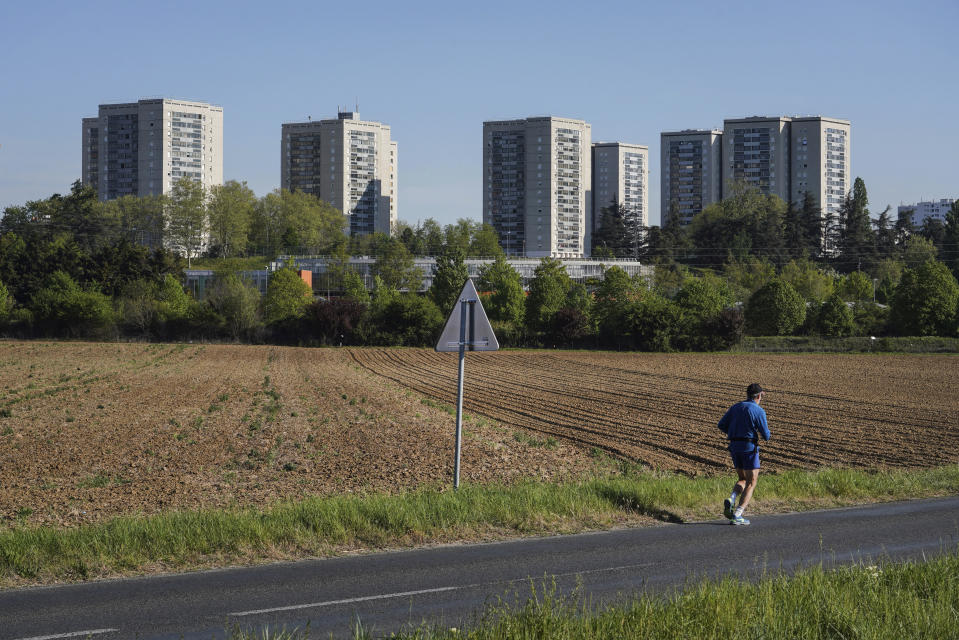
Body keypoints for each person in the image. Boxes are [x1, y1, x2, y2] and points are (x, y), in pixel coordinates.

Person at [717, 383, 770, 525]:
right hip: (749, 448)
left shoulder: (735, 407)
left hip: (734, 446)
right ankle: (738, 514)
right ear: (758, 396)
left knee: (742, 478)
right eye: (761, 396)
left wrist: (734, 432)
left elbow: (721, 425)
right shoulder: (758, 411)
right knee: (751, 482)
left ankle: (732, 498)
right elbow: (766, 435)